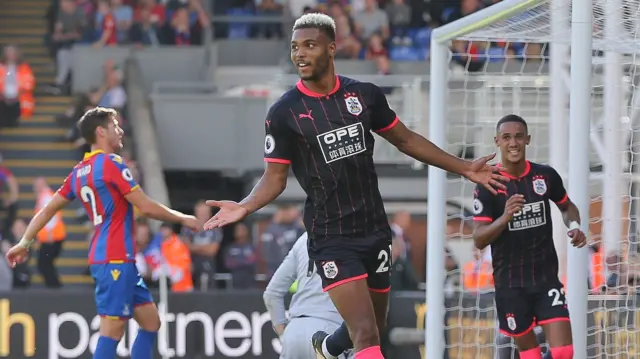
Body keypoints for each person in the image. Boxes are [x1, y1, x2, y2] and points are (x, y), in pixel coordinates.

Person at [202, 13, 507, 359]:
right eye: (294, 47)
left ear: (332, 48)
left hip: (374, 230)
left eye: (309, 45)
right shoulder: (284, 112)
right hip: (331, 236)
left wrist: (464, 167)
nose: (299, 54)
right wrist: (244, 206)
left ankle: (326, 348)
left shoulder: (363, 96)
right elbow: (274, 178)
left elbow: (405, 140)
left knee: (372, 328)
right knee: (365, 334)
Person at [4, 107, 198, 359]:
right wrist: (183, 217)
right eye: (115, 126)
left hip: (115, 258)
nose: (120, 131)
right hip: (113, 259)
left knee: (151, 322)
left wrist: (25, 241)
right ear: (100, 132)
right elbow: (145, 206)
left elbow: (46, 210)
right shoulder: (112, 164)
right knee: (112, 330)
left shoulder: (79, 171)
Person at [472, 114, 587, 359]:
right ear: (497, 142)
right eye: (506, 138)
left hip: (546, 280)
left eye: (518, 137)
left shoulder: (545, 176)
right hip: (510, 286)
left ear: (528, 140)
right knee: (530, 354)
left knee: (564, 352)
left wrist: (575, 225)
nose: (513, 143)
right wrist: (505, 217)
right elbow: (479, 238)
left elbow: (566, 207)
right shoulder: (488, 184)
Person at [263, 232, 353, 359]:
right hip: (331, 333)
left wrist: (284, 335)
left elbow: (271, 293)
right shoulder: (355, 237)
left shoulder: (303, 239)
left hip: (294, 332)